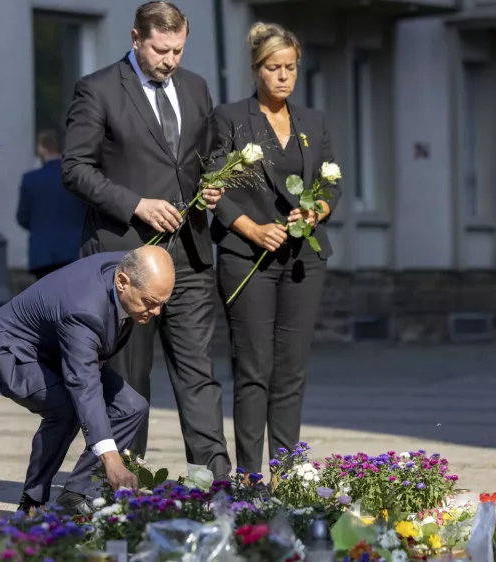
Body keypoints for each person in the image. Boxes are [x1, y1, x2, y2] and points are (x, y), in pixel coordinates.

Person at [61, 1, 231, 483]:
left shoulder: (196, 87)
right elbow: (74, 170)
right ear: (136, 39)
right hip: (127, 259)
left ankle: (215, 484)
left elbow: (207, 153)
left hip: (191, 255)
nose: (170, 59)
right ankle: (125, 489)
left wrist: (214, 182)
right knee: (129, 383)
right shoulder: (97, 89)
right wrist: (136, 203)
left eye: (178, 49)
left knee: (199, 377)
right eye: (161, 49)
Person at [209, 22, 342, 475]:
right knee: (254, 369)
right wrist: (252, 229)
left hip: (304, 261)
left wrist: (317, 211)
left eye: (290, 68)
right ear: (255, 69)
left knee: (291, 372)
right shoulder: (229, 118)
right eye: (273, 68)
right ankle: (248, 476)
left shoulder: (313, 121)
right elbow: (214, 185)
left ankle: (286, 475)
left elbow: (331, 182)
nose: (283, 76)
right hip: (248, 259)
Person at [0, 247, 174, 515]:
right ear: (122, 282)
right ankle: (32, 503)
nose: (157, 312)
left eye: (162, 303)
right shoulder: (84, 308)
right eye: (150, 302)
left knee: (132, 406)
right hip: (13, 349)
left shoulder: (132, 271)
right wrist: (111, 459)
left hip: (60, 347)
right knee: (65, 409)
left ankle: (76, 495)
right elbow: (84, 386)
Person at [16, 130, 87, 280]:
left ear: (41, 148)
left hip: (42, 254)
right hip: (73, 252)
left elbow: (22, 218)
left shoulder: (31, 179)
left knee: (44, 301)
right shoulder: (77, 177)